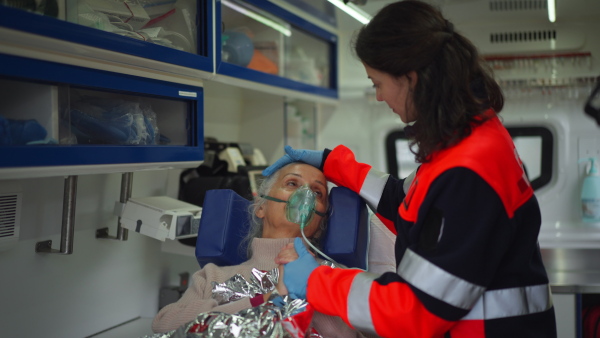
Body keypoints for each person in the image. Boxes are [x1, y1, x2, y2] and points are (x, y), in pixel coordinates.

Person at [266, 1, 557, 337]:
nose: (378, 97)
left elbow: (415, 310)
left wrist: (317, 281)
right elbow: (401, 202)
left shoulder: (471, 171)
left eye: (377, 83)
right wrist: (331, 164)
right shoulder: (461, 144)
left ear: (410, 79)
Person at [151, 162, 369, 338]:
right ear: (261, 207)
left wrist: (313, 288)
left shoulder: (337, 276)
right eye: (292, 183)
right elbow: (163, 325)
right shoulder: (213, 276)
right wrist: (263, 299)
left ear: (320, 225)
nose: (305, 196)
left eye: (317, 192)